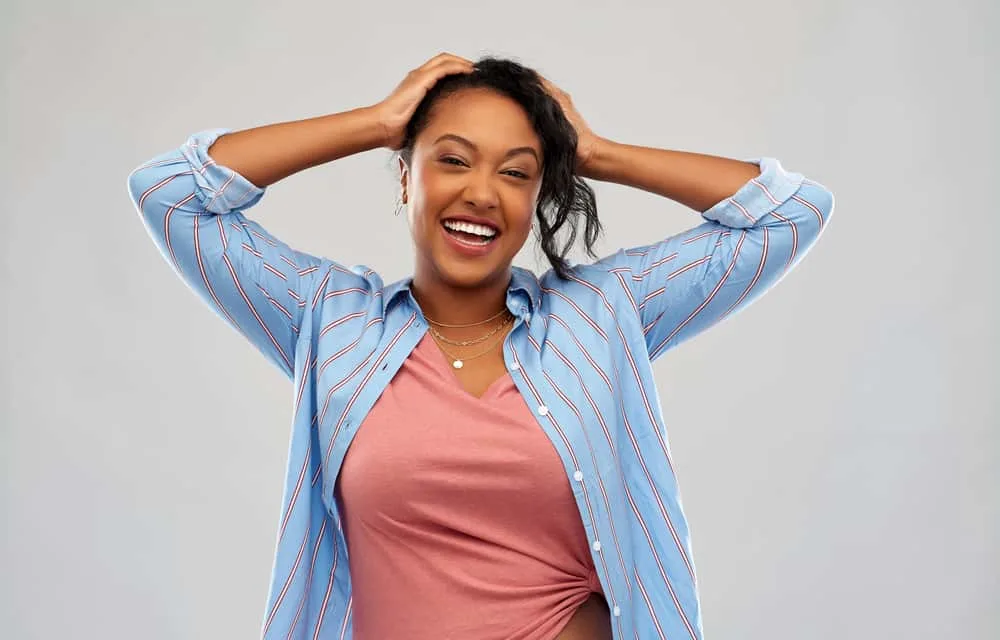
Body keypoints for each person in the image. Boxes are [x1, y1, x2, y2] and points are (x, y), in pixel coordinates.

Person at [127, 53, 834, 640]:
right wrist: (375, 123)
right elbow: (169, 192)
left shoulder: (601, 314)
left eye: (517, 172)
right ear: (406, 177)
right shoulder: (330, 320)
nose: (482, 193)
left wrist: (595, 151)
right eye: (453, 160)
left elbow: (791, 214)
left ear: (539, 197)